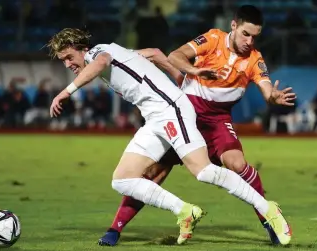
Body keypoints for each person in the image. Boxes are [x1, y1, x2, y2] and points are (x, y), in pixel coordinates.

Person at [47, 28, 291, 246]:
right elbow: (153, 52)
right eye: (63, 60)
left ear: (83, 49)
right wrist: (172, 77)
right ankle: (184, 211)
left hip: (171, 112)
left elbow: (99, 62)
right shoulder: (117, 50)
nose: (68, 64)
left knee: (204, 172)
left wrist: (65, 92)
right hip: (155, 119)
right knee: (121, 179)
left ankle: (267, 208)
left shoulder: (98, 54)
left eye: (69, 57)